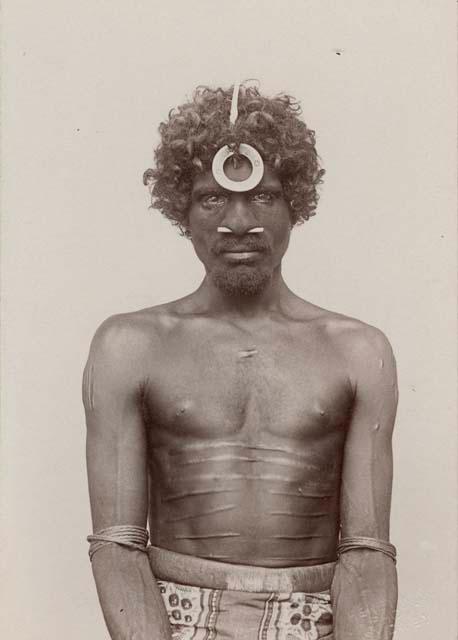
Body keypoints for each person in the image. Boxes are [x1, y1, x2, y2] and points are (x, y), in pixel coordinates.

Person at [83, 83, 398, 640]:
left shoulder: (358, 350)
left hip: (314, 621)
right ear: (181, 208)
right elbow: (117, 546)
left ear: (295, 204)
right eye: (211, 197)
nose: (238, 221)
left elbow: (367, 553)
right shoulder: (129, 345)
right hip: (171, 620)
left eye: (264, 196)